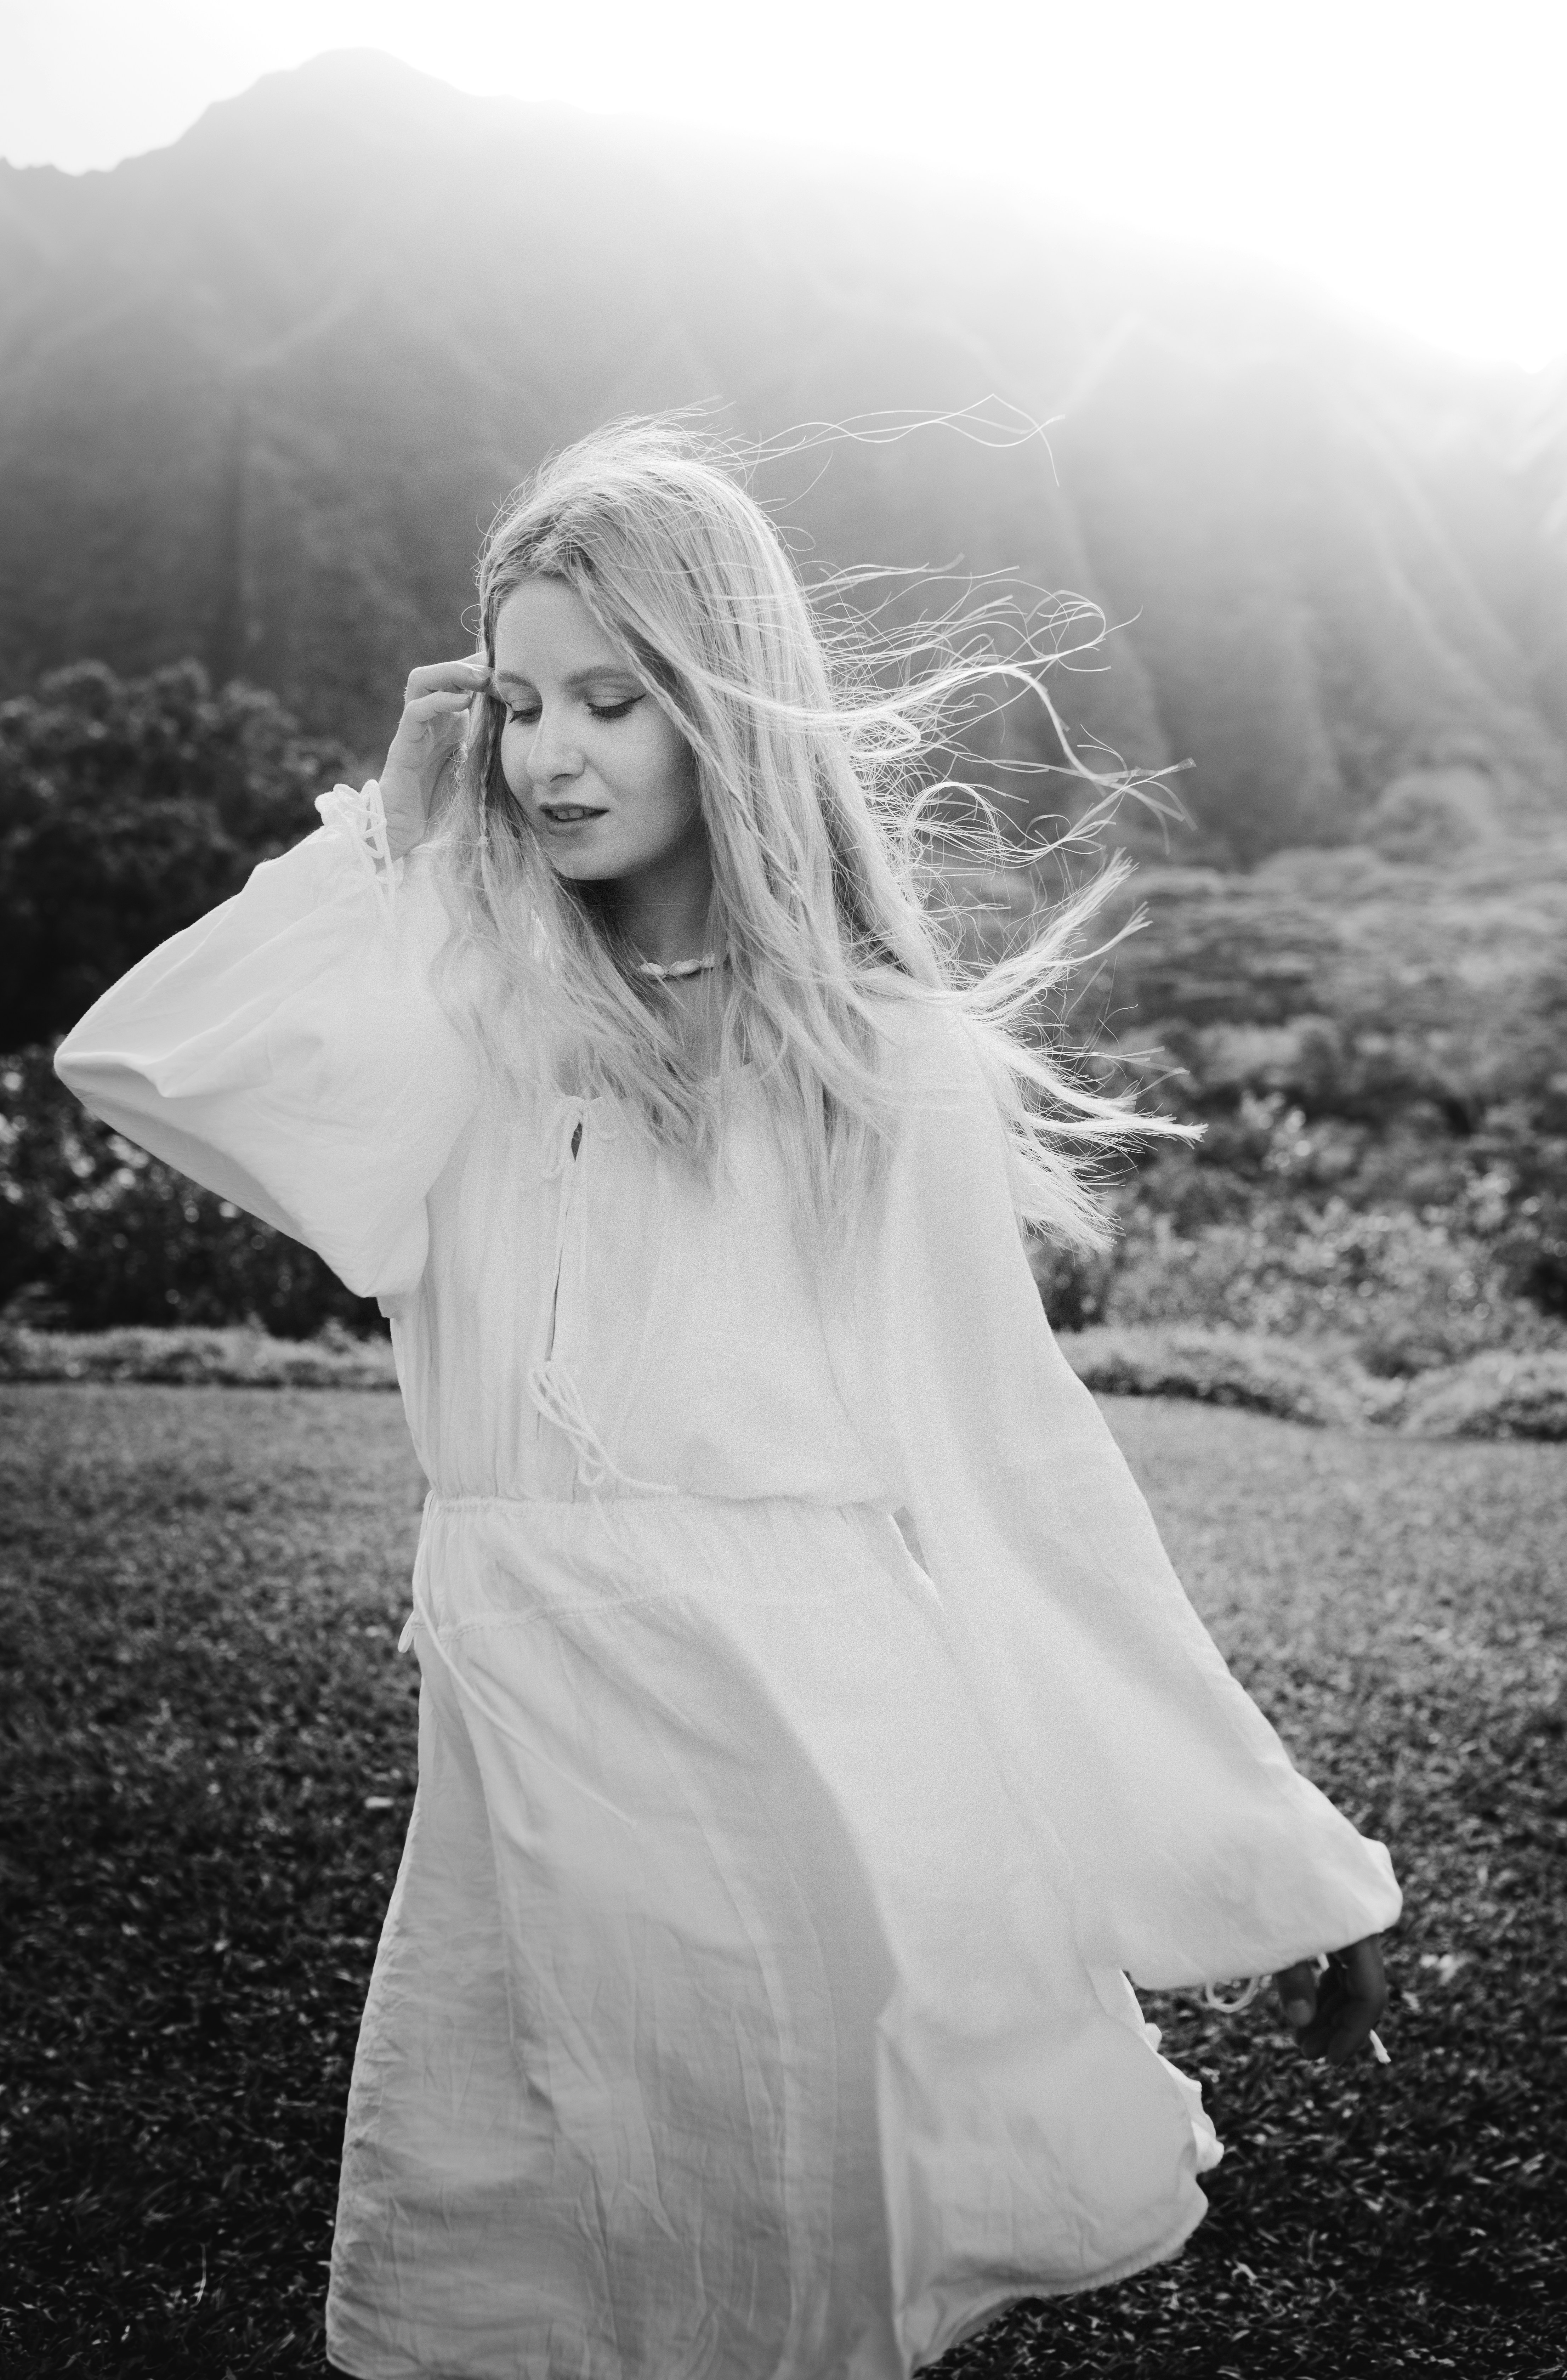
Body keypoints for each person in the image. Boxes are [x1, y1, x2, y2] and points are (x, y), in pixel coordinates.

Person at [54, 418, 1398, 2380]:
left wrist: (1277, 1858)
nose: (551, 753)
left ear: (725, 713)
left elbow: (1015, 1477)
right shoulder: (469, 1020)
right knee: (505, 2265)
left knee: (774, 2279)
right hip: (531, 1740)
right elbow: (149, 1060)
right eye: (516, 703)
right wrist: (389, 834)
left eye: (613, 699)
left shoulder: (884, 1063)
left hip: (814, 1754)